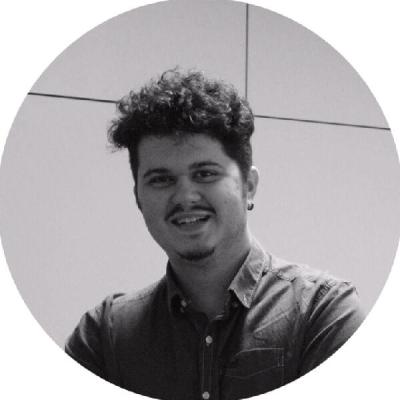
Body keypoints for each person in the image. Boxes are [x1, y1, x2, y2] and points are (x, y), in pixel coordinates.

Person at [65, 69, 364, 400]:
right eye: (161, 180)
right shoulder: (104, 337)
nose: (184, 197)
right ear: (138, 197)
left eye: (205, 173)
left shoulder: (323, 314)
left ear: (249, 186)